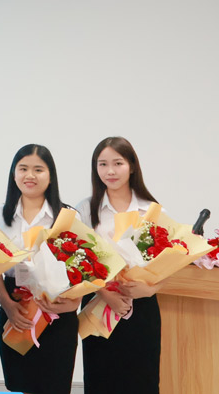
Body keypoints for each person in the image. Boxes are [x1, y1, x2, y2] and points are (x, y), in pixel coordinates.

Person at [77, 137, 162, 394]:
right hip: (99, 304)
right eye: (102, 164)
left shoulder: (150, 209)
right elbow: (78, 262)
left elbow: (168, 263)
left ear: (132, 166)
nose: (110, 171)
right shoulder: (85, 209)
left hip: (141, 306)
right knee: (101, 380)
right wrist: (104, 293)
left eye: (118, 163)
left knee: (142, 380)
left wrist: (149, 289)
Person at [0, 144, 79, 394]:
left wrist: (73, 303)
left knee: (54, 385)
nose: (30, 176)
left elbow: (83, 269)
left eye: (38, 169)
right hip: (15, 307)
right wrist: (8, 306)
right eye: (23, 169)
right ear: (13, 174)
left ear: (50, 175)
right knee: (19, 385)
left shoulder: (67, 216)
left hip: (56, 311)